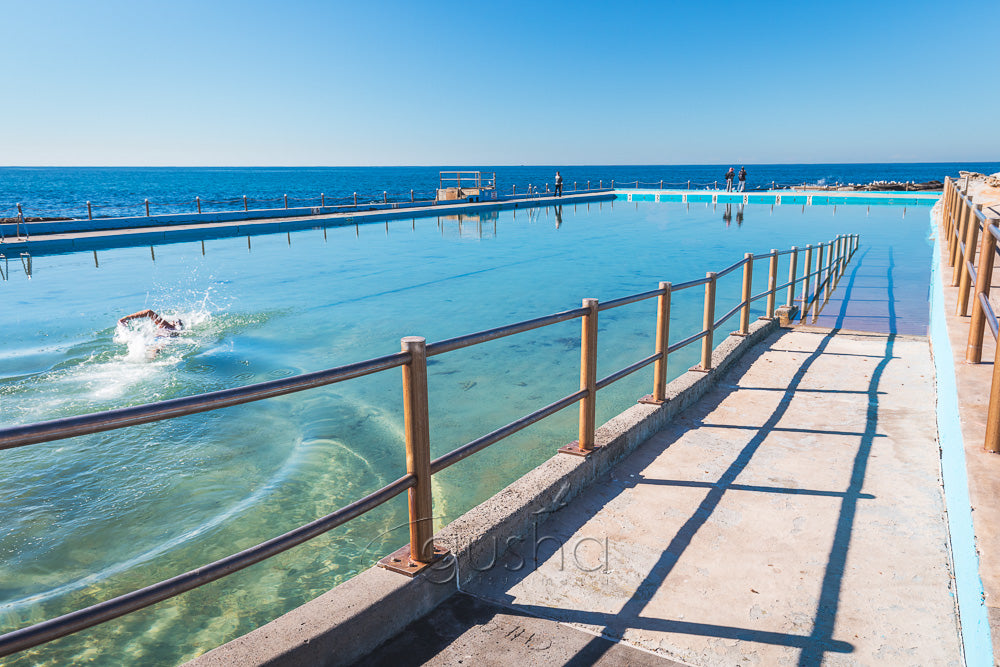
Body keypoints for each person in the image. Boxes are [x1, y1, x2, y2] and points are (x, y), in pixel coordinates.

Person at [118, 309, 183, 334]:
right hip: (164, 341)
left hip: (158, 338)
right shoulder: (176, 332)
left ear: (173, 323)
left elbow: (149, 312)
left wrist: (127, 318)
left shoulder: (165, 325)